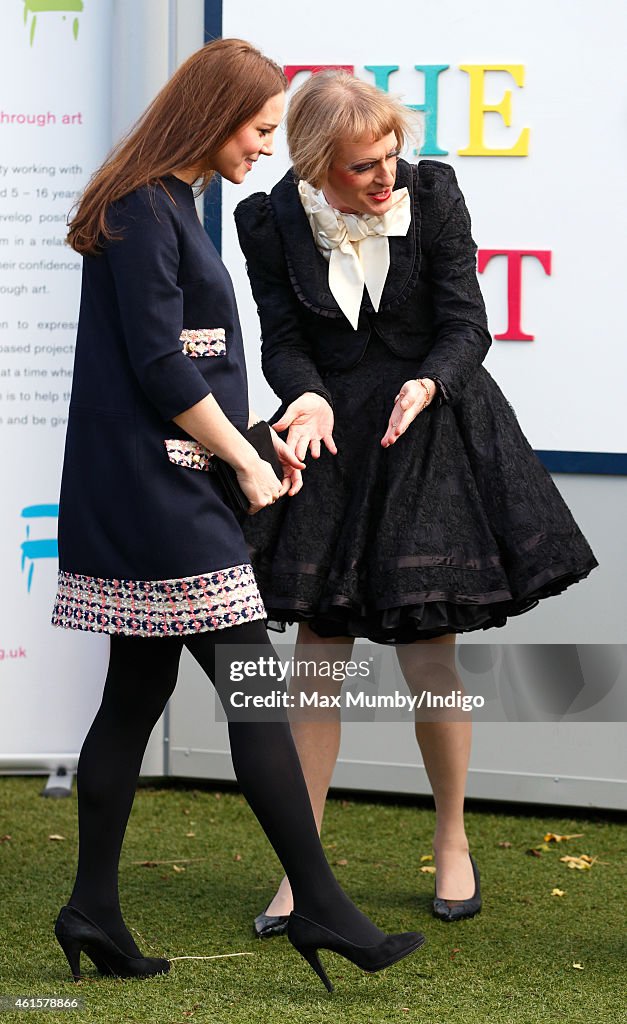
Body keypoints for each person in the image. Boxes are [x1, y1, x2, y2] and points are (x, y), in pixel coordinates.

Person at [51, 42, 425, 991]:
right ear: (214, 115)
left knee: (133, 700)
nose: (267, 148)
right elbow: (159, 367)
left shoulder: (166, 201)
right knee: (253, 686)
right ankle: (323, 908)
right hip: (158, 496)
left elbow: (184, 364)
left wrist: (265, 432)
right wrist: (246, 461)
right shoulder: (144, 206)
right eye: (259, 130)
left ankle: (93, 909)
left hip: (160, 484)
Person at [234, 70, 598, 935]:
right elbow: (282, 343)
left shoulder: (432, 194)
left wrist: (431, 382)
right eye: (363, 165)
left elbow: (466, 321)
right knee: (318, 649)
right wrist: (305, 396)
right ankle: (304, 868)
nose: (383, 176)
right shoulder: (268, 221)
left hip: (428, 424)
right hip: (328, 437)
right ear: (318, 163)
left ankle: (450, 840)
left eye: (389, 156)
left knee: (428, 643)